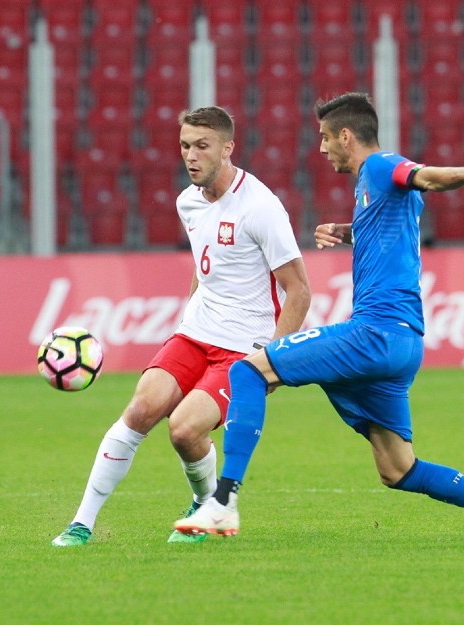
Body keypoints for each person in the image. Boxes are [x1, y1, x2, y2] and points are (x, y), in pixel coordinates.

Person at [175, 92, 464, 544]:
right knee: (399, 469)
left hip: (374, 333)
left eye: (324, 138)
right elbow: (396, 223)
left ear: (346, 135)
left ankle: (221, 502)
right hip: (404, 343)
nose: (320, 149)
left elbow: (423, 177)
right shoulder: (374, 192)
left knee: (248, 369)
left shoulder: (378, 166)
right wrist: (350, 230)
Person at [51, 106, 311, 546]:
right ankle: (82, 523)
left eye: (202, 146)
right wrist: (189, 316)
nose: (191, 156)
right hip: (195, 333)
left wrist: (271, 361)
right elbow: (204, 265)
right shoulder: (187, 201)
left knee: (185, 431)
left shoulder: (261, 207)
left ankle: (206, 505)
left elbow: (299, 290)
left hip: (241, 348)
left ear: (228, 148)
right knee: (140, 409)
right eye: (186, 146)